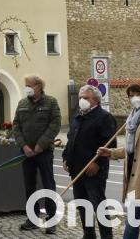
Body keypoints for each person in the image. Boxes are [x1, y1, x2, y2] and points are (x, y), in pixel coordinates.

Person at [97, 84, 140, 239]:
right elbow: (131, 149)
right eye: (131, 95)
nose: (134, 98)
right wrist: (112, 152)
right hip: (132, 177)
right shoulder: (132, 119)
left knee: (133, 221)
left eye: (138, 94)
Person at [63, 85, 116, 239]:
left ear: (96, 100)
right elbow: (71, 139)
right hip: (76, 168)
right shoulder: (78, 116)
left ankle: (107, 236)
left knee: (98, 204)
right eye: (80, 97)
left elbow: (109, 145)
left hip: (94, 169)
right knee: (82, 203)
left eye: (85, 98)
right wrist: (67, 157)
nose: (82, 100)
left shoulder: (104, 117)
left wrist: (97, 163)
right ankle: (89, 234)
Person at [13, 75, 61, 234]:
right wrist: (24, 146)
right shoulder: (22, 103)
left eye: (29, 85)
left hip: (44, 152)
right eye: (25, 85)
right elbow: (16, 126)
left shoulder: (51, 102)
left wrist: (41, 145)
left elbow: (54, 125)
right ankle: (32, 218)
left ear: (39, 86)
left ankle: (51, 219)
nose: (26, 87)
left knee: (48, 184)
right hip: (26, 153)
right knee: (29, 185)